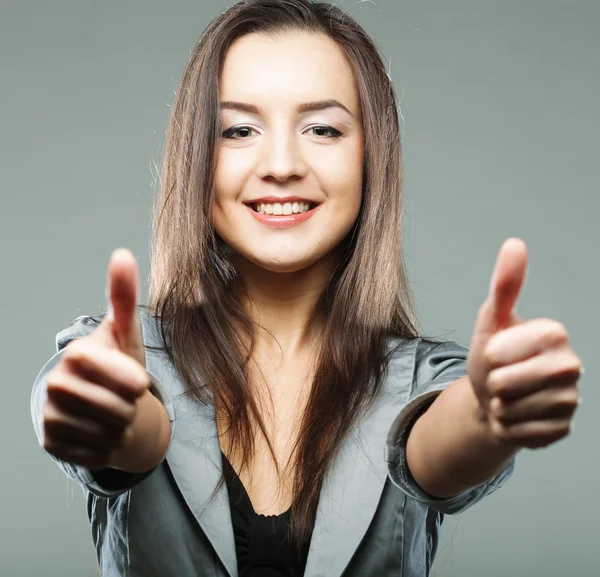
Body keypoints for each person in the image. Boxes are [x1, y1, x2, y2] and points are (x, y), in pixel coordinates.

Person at [30, 1, 583, 576]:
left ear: (372, 157)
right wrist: (112, 419)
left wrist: (488, 416)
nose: (282, 164)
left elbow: (437, 447)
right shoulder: (119, 356)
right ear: (198, 158)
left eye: (322, 128)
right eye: (239, 130)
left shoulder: (421, 380)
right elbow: (122, 429)